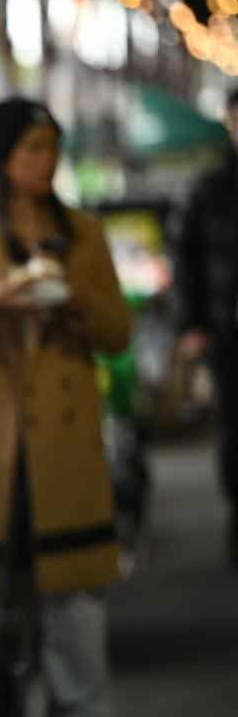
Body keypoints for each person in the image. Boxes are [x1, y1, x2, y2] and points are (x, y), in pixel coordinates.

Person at [0, 97, 131, 717]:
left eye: (52, 147)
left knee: (74, 595)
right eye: (33, 148)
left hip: (63, 439)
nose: (47, 160)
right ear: (2, 157)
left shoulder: (83, 233)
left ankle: (83, 705)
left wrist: (77, 305)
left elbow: (119, 333)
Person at [174, 87, 238, 567]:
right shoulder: (209, 188)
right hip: (226, 328)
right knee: (234, 429)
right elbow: (186, 259)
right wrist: (193, 322)